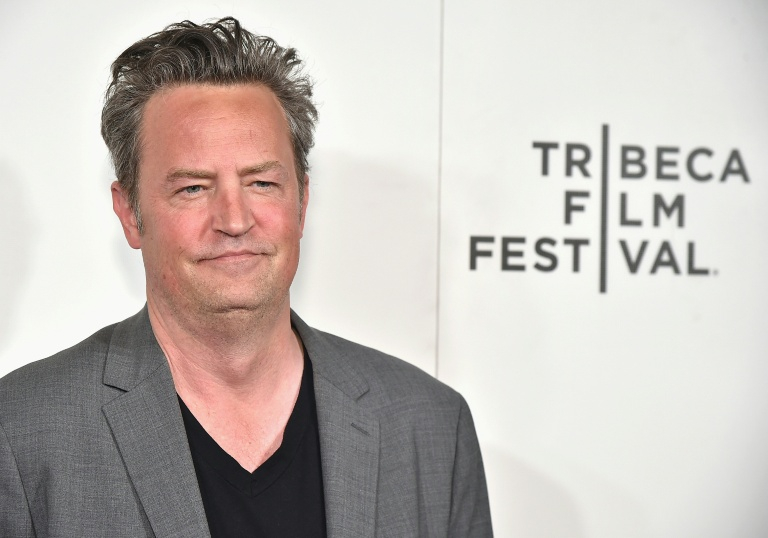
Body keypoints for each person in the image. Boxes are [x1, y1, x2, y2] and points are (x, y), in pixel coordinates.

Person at [0, 17, 492, 537]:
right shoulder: (23, 434)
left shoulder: (431, 427)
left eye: (261, 183)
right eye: (192, 188)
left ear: (301, 202)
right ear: (129, 213)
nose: (234, 221)